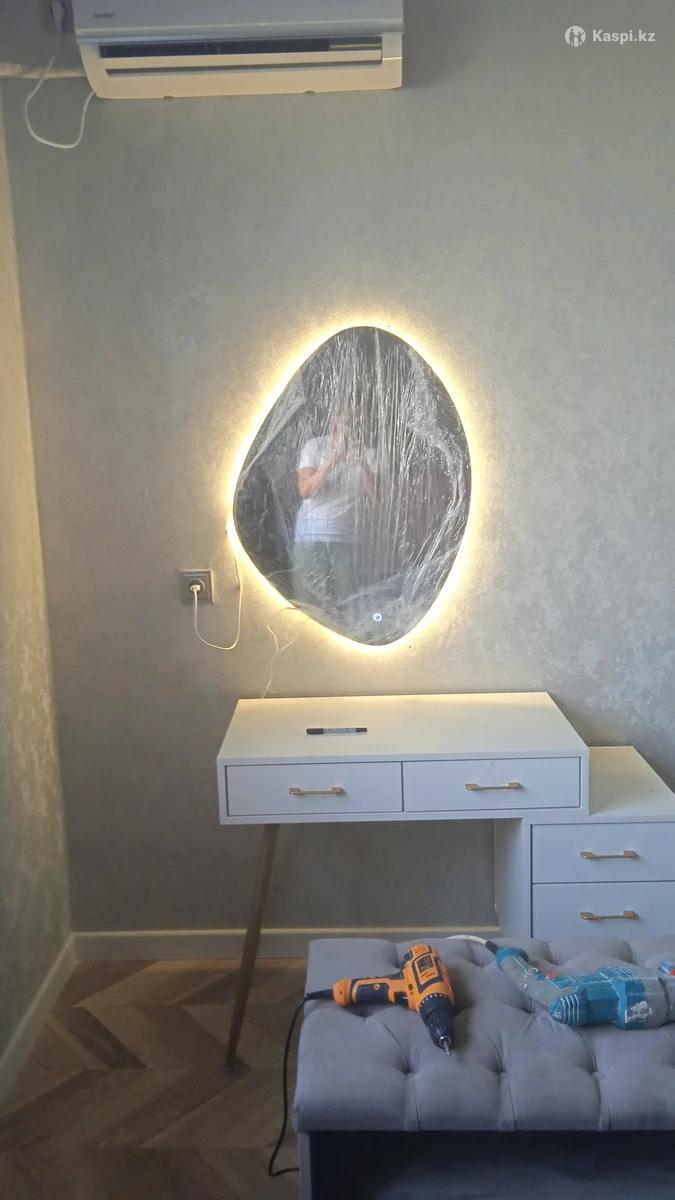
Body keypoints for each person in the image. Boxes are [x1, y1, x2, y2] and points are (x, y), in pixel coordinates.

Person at [293, 416, 376, 615]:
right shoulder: (315, 446)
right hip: (311, 537)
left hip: (349, 540)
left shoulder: (371, 453)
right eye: (345, 414)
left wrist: (363, 464)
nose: (350, 419)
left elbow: (377, 496)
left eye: (357, 412)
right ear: (336, 417)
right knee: (308, 607)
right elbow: (306, 490)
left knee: (347, 607)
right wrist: (333, 459)